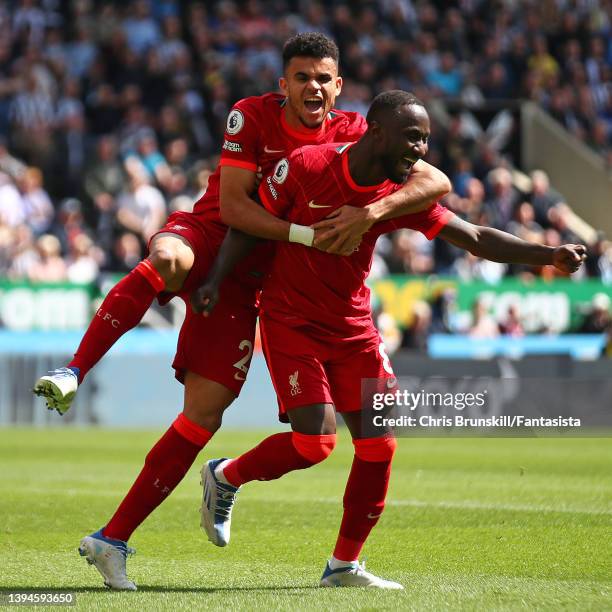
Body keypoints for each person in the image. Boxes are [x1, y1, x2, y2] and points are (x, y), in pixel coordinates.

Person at [33, 34, 451, 590]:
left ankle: (111, 540)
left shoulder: (358, 134)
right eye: (301, 77)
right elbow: (233, 207)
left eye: (323, 78)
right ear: (283, 85)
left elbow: (435, 182)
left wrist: (367, 213)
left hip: (258, 279)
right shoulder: (250, 116)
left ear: (339, 87)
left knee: (204, 416)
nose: (313, 87)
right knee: (168, 257)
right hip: (215, 237)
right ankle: (73, 370)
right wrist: (307, 233)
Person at [193, 90, 586, 589]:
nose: (420, 149)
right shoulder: (308, 166)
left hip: (354, 328)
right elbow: (248, 225)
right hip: (291, 320)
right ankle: (225, 476)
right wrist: (215, 281)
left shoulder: (397, 195)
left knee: (379, 446)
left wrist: (547, 254)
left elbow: (475, 238)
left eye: (425, 139)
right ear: (376, 133)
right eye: (412, 137)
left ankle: (343, 566)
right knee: (315, 444)